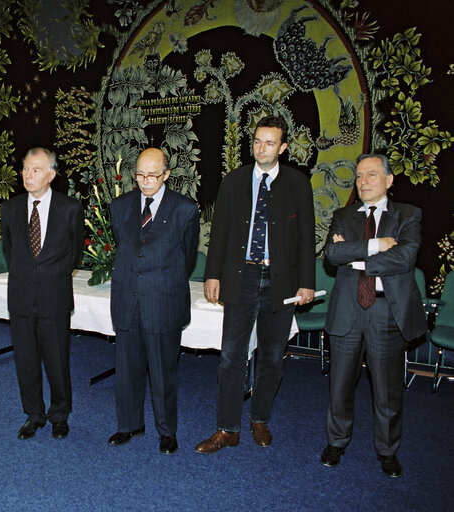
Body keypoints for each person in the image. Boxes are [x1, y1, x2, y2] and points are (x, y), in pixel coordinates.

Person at [196, 116, 315, 454]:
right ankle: (227, 429)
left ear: (283, 147)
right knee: (231, 356)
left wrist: (307, 282)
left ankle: (260, 419)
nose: (262, 148)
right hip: (241, 277)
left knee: (273, 356)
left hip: (282, 282)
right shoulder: (234, 181)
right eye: (258, 141)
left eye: (270, 143)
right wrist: (212, 274)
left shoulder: (297, 183)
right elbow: (218, 232)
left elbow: (307, 238)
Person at [320, 154, 426, 478]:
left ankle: (387, 451)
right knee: (340, 386)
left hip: (385, 311)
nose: (363, 182)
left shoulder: (408, 214)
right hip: (347, 310)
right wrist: (377, 245)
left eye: (371, 175)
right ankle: (336, 442)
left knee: (387, 389)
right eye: (359, 176)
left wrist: (355, 256)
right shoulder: (343, 215)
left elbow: (405, 258)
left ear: (389, 180)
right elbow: (332, 254)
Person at [107, 147, 200, 455]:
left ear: (166, 175)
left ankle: (166, 431)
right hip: (127, 300)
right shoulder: (119, 206)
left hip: (163, 301)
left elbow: (186, 258)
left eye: (153, 175)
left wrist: (161, 280)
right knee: (127, 370)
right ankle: (129, 425)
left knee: (163, 373)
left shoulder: (185, 209)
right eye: (140, 175)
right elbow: (127, 247)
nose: (146, 181)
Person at [1, 147, 84, 441]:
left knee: (57, 361)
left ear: (51, 174)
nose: (27, 175)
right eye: (25, 169)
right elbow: (12, 252)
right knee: (25, 360)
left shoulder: (70, 208)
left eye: (35, 170)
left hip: (55, 297)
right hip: (21, 297)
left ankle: (60, 414)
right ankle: (33, 415)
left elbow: (74, 253)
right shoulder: (10, 209)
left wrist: (49, 275)